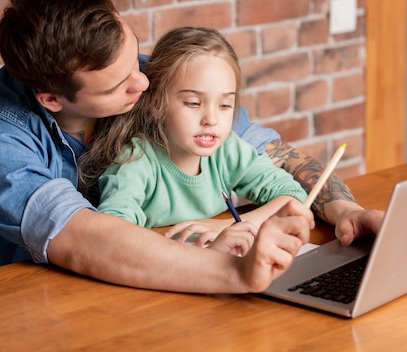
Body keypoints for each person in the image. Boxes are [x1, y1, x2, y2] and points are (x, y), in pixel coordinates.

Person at [0, 0, 381, 294]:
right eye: (116, 86)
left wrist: (348, 212)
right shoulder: (1, 137)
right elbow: (81, 238)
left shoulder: (140, 74)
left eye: (135, 56)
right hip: (32, 301)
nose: (143, 83)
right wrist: (231, 272)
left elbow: (272, 154)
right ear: (52, 99)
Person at [83, 26, 309, 256]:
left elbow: (292, 196)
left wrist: (230, 226)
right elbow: (113, 235)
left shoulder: (228, 150)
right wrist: (203, 255)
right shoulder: (135, 162)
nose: (211, 119)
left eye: (224, 105)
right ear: (157, 104)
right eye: (193, 103)